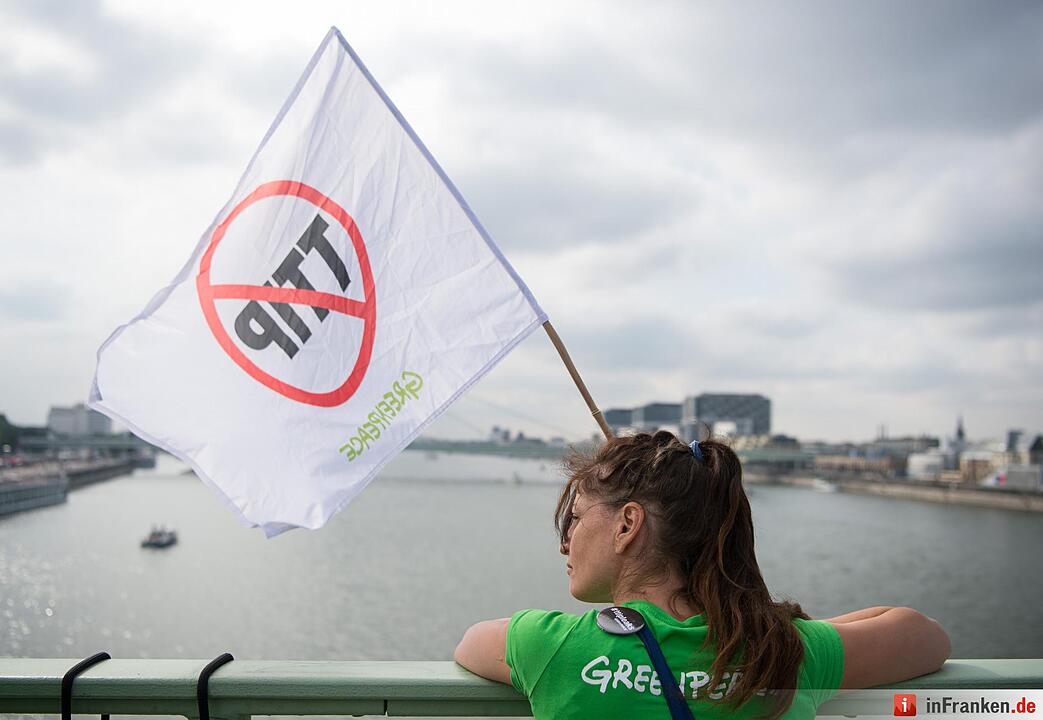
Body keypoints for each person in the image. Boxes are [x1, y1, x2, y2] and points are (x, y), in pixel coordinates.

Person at [455, 431, 951, 719]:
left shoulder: (550, 647)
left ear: (627, 525)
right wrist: (784, 630)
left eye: (577, 518)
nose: (566, 541)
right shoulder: (784, 654)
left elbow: (470, 643)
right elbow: (926, 637)